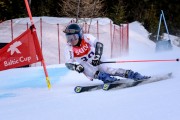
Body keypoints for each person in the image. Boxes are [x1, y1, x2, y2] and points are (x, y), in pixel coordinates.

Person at [64, 23, 150, 83]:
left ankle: (132, 74)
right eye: (69, 38)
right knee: (84, 66)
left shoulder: (87, 37)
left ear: (80, 35)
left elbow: (99, 45)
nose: (71, 40)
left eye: (73, 37)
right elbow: (68, 64)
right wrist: (76, 67)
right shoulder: (69, 48)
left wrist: (97, 57)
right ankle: (105, 78)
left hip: (97, 59)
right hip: (88, 66)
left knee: (108, 70)